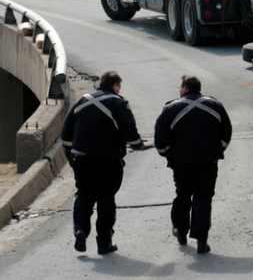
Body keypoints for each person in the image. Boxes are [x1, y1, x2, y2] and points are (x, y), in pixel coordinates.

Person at [61, 71, 144, 254]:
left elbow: (66, 134)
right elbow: (129, 132)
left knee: (84, 195)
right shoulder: (118, 102)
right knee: (106, 199)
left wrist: (72, 156)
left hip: (82, 158)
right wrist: (138, 145)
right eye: (119, 87)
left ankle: (81, 230)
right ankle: (104, 243)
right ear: (115, 86)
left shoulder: (81, 101)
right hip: (109, 160)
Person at [154, 75, 232, 254]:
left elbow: (160, 137)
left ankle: (181, 231)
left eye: (180, 88)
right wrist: (217, 150)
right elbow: (226, 132)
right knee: (203, 198)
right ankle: (201, 240)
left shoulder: (170, 108)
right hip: (208, 162)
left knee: (182, 196)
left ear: (185, 88)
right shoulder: (215, 105)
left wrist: (167, 155)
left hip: (181, 163)